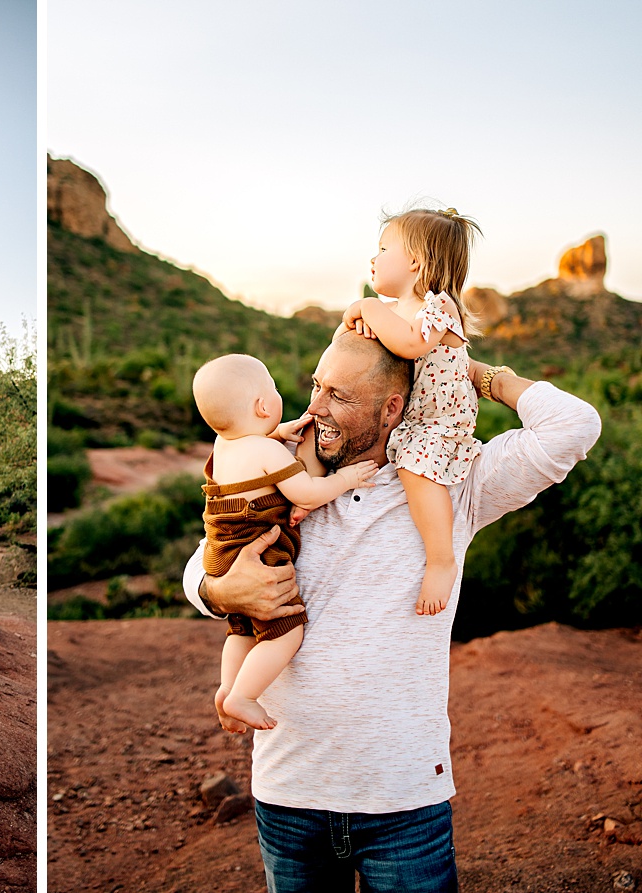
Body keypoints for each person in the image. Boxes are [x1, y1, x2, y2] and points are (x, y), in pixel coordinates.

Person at [184, 332, 600, 891]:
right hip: (288, 793)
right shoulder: (285, 471)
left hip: (404, 803)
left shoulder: (454, 484)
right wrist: (222, 594)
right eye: (315, 386)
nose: (315, 408)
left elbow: (574, 426)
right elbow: (201, 568)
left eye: (339, 396)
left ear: (392, 408)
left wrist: (466, 369)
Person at [192, 353, 378, 730]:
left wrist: (276, 433)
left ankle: (228, 690)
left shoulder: (226, 444)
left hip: (220, 554)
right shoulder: (267, 452)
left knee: (241, 628)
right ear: (263, 405)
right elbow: (306, 494)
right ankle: (243, 696)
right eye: (273, 389)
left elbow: (251, 446)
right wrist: (347, 480)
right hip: (260, 551)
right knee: (286, 632)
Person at [341, 207, 482, 616]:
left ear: (416, 263)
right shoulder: (396, 312)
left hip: (440, 419)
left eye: (384, 248)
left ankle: (441, 560)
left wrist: (366, 308)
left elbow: (410, 345)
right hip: (413, 417)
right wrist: (363, 322)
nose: (374, 257)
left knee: (416, 467)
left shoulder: (439, 306)